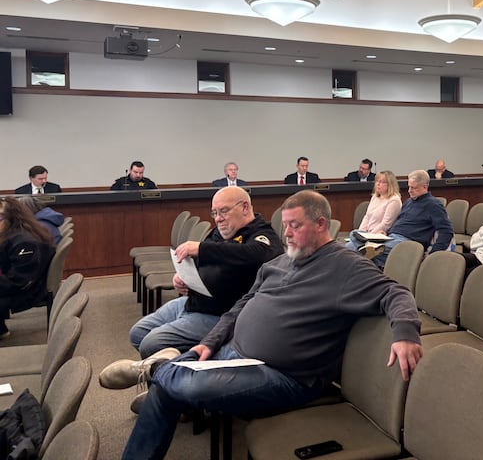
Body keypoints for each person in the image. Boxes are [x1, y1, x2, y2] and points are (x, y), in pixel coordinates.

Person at [102, 190, 422, 460]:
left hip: (283, 375)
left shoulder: (345, 265)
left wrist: (405, 333)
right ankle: (162, 378)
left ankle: (157, 369)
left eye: (295, 226)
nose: (287, 235)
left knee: (185, 384)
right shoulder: (280, 262)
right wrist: (208, 342)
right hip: (232, 352)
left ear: (321, 224)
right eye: (285, 226)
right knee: (169, 389)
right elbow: (240, 307)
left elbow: (395, 292)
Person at [126, 187, 282, 359]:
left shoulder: (262, 234)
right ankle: (175, 361)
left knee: (151, 344)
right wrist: (182, 277)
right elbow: (200, 259)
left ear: (245, 207)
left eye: (224, 211)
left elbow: (254, 254)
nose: (218, 219)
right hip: (192, 301)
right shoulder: (219, 232)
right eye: (214, 213)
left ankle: (171, 374)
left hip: (219, 313)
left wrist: (202, 248)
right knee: (137, 333)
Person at [369, 170, 454, 270]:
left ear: (425, 187)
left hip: (408, 243)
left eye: (413, 188)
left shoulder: (433, 205)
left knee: (364, 252)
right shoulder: (409, 202)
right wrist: (385, 233)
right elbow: (399, 223)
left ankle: (369, 253)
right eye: (409, 187)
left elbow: (447, 231)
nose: (409, 191)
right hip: (391, 238)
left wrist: (432, 254)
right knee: (354, 238)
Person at [0, 197, 55, 338]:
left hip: (30, 292)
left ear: (11, 218)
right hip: (23, 283)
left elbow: (17, 281)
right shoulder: (16, 233)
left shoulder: (25, 242)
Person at [345, 170, 402, 250]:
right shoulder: (375, 197)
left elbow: (386, 224)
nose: (378, 184)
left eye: (382, 182)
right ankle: (363, 246)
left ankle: (365, 248)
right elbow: (367, 217)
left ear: (390, 185)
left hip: (378, 235)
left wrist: (369, 236)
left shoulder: (394, 200)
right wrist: (361, 234)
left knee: (349, 247)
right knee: (353, 235)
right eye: (377, 181)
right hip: (367, 234)